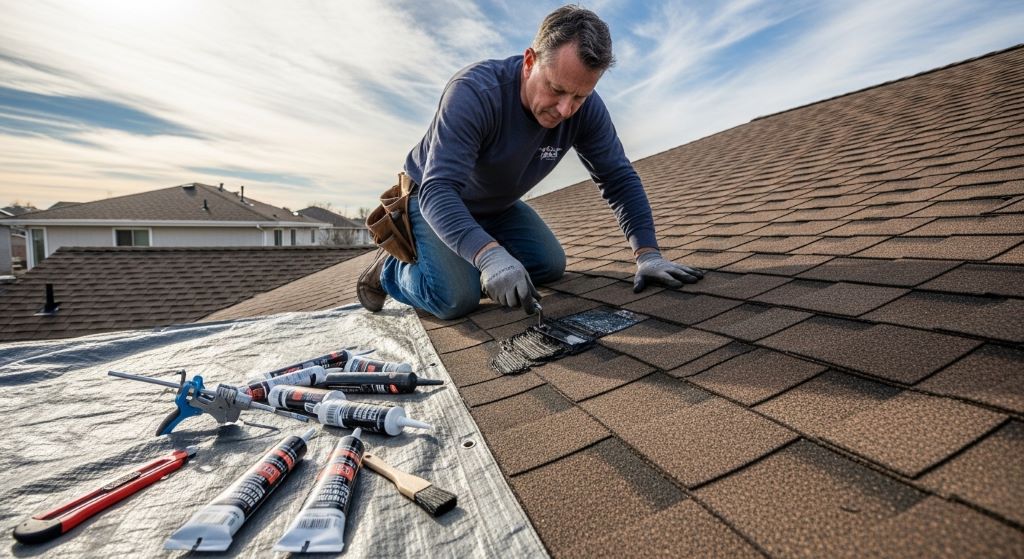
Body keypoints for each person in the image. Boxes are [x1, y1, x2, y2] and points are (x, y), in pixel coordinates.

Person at [358, 5, 703, 319]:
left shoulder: (585, 110)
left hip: (497, 205)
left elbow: (618, 179)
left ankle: (470, 257)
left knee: (548, 265)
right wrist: (490, 257)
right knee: (455, 298)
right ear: (529, 61)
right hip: (433, 201)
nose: (566, 109)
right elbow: (438, 190)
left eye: (580, 96)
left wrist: (647, 254)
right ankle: (389, 272)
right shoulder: (475, 93)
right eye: (556, 89)